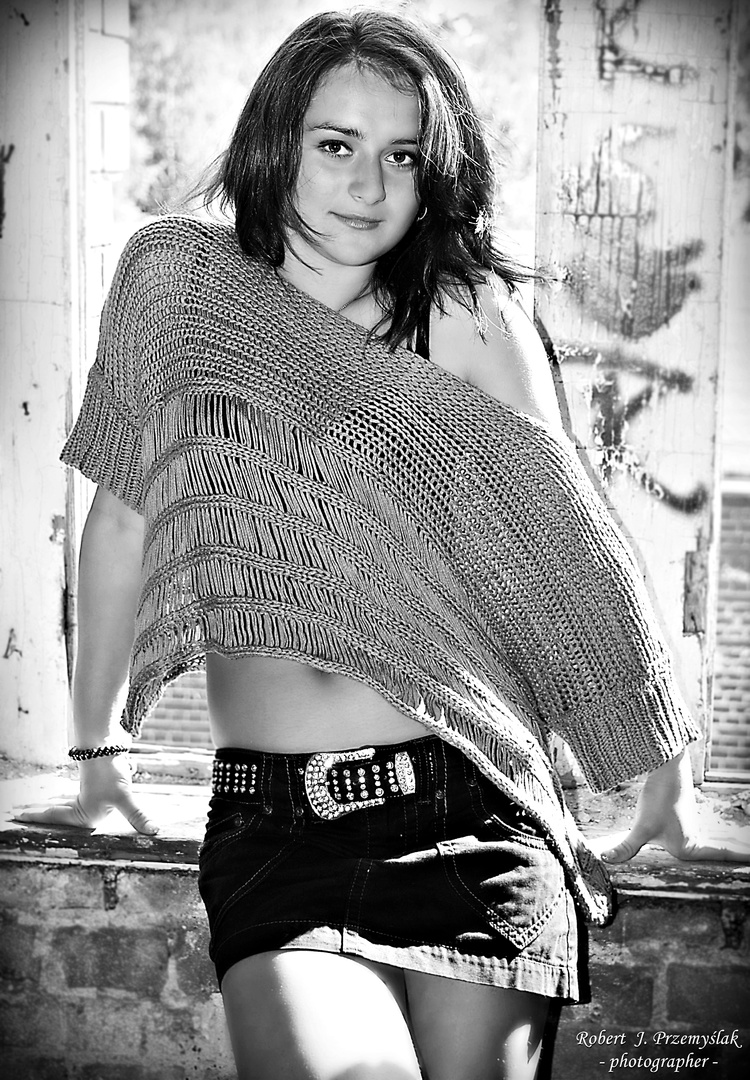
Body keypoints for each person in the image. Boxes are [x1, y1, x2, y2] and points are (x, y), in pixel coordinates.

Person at [15, 9, 747, 1080]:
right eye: (336, 144)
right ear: (275, 143)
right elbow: (121, 519)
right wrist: (96, 751)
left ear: (433, 172)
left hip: (470, 812)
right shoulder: (175, 286)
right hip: (276, 827)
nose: (368, 185)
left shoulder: (464, 313)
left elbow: (572, 551)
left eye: (401, 155)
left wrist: (663, 775)